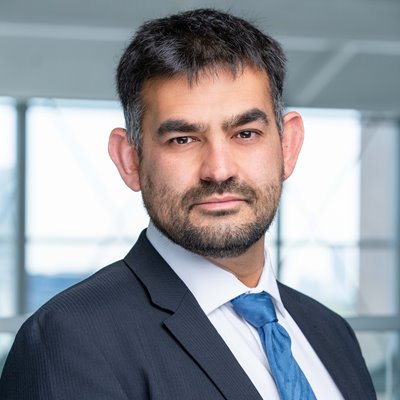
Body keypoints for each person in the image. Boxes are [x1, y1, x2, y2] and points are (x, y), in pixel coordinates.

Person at [0, 8, 376, 400]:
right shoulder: (68, 339)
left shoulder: (333, 336)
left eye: (246, 133)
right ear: (130, 160)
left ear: (288, 146)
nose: (219, 170)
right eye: (183, 139)